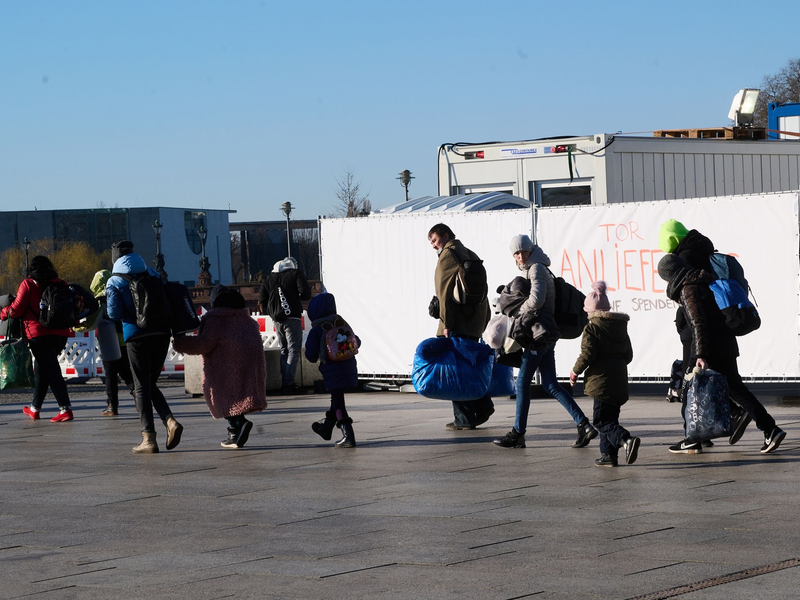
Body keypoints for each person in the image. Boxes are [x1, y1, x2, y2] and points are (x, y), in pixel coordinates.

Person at [657, 246, 786, 454]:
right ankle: (771, 429)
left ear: (669, 275)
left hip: (710, 348)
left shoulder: (687, 288)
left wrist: (700, 355)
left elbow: (698, 323)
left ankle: (692, 438)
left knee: (689, 391)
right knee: (737, 389)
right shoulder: (702, 279)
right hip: (725, 343)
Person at [493, 235, 596, 449]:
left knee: (522, 382)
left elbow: (537, 301)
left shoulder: (536, 269)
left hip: (540, 334)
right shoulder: (535, 268)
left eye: (523, 251)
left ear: (530, 250)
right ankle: (584, 425)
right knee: (550, 384)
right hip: (546, 332)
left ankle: (518, 433)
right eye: (516, 253)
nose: (520, 256)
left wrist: (516, 310)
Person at [106, 251, 183, 454]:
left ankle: (148, 438)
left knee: (141, 386)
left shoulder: (114, 281)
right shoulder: (153, 274)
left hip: (137, 336)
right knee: (149, 384)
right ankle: (170, 421)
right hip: (162, 334)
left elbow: (114, 313)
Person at [173, 285, 267, 449]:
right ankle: (234, 433)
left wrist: (180, 343)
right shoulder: (246, 319)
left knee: (223, 398)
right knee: (237, 397)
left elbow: (203, 344)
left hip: (224, 365)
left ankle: (239, 423)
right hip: (249, 363)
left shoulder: (215, 319)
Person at [428, 223, 495, 430]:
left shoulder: (448, 255)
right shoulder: (470, 253)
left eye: (435, 240)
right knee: (469, 367)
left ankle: (464, 419)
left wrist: (446, 323)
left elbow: (444, 293)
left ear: (446, 235)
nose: (433, 245)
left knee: (455, 370)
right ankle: (483, 406)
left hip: (456, 323)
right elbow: (483, 291)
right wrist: (484, 320)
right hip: (473, 322)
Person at [569, 281, 640, 467]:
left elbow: (587, 354)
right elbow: (628, 355)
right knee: (611, 419)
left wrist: (575, 371)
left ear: (590, 312)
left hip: (601, 381)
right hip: (619, 380)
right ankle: (609, 455)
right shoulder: (620, 327)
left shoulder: (592, 328)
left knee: (601, 421)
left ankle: (626, 440)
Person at [0, 256, 73, 422]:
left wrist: (3, 312)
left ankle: (65, 409)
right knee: (41, 370)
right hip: (60, 334)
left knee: (52, 371)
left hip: (38, 335)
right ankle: (34, 409)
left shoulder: (28, 284)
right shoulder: (61, 283)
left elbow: (17, 309)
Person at [305, 292, 360, 448]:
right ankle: (326, 429)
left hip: (332, 371)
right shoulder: (342, 324)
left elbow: (310, 355)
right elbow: (357, 342)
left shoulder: (317, 329)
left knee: (338, 403)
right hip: (349, 369)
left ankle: (348, 436)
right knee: (336, 399)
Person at [259, 257, 311, 395]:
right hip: (292, 317)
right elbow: (305, 293)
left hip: (277, 319)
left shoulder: (269, 278)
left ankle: (285, 383)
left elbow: (262, 299)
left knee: (284, 350)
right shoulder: (295, 273)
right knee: (293, 350)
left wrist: (271, 312)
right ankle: (289, 384)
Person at [87, 269, 133, 416]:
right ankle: (139, 400)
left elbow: (92, 322)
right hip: (124, 338)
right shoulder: (119, 294)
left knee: (110, 374)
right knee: (126, 372)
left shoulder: (100, 300)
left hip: (109, 341)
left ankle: (112, 405)